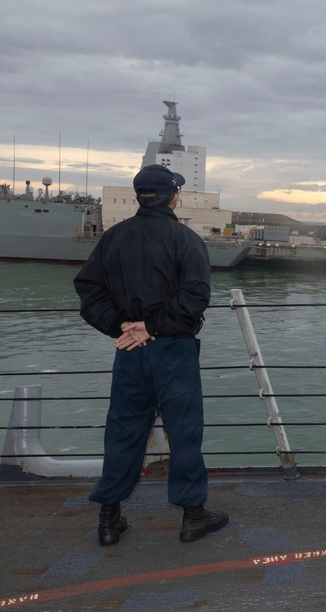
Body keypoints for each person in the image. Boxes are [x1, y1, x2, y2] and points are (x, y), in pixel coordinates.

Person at [74, 164, 229, 546]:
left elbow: (88, 288)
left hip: (131, 351)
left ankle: (109, 519)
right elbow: (195, 298)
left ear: (139, 195)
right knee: (184, 432)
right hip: (173, 350)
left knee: (123, 431)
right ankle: (192, 516)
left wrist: (123, 326)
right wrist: (154, 326)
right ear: (173, 196)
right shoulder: (187, 239)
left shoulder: (114, 238)